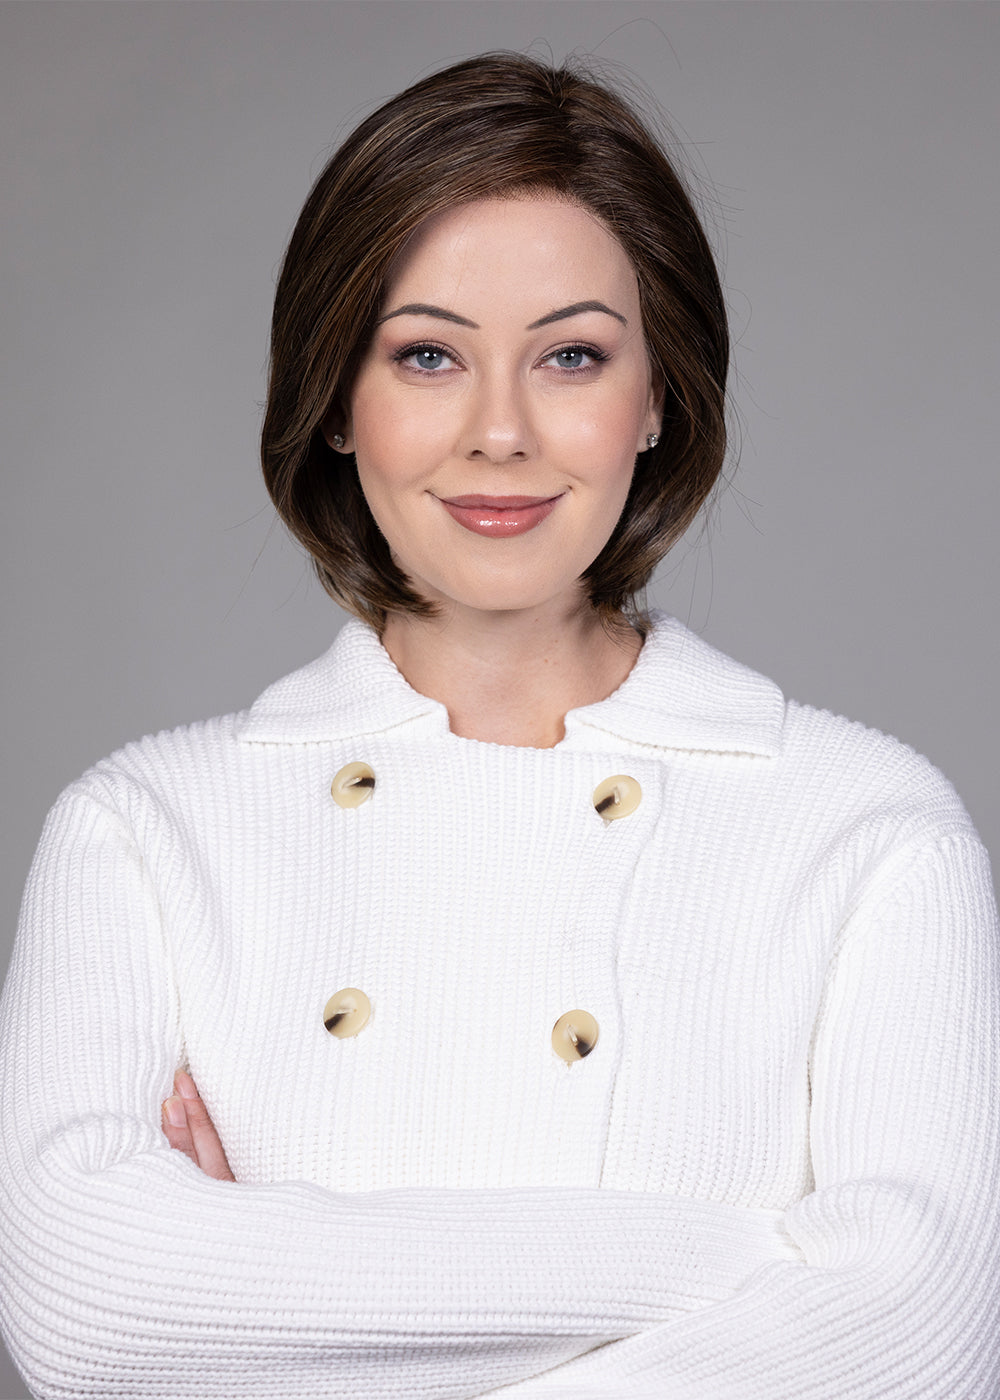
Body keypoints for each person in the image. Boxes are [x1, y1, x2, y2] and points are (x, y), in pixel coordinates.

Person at [0, 50, 997, 1400]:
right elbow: (79, 1314)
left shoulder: (869, 832)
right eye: (427, 355)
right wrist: (746, 1262)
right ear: (338, 401)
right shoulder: (144, 833)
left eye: (571, 356)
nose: (501, 433)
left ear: (658, 396)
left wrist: (265, 1312)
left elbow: (924, 1346)